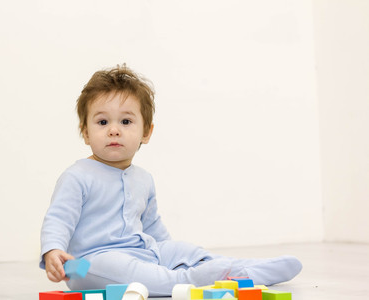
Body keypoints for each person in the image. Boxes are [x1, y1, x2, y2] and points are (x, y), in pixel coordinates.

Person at [40, 65, 302, 296]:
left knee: (183, 249)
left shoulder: (143, 179)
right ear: (86, 132)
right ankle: (186, 280)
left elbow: (152, 227)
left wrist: (172, 254)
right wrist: (53, 250)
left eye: (126, 121)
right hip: (88, 262)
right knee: (108, 267)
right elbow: (59, 218)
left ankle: (241, 268)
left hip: (143, 253)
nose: (114, 129)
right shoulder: (77, 176)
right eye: (102, 121)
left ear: (146, 132)